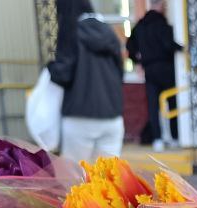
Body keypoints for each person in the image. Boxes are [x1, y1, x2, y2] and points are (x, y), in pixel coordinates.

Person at [49, 0, 126, 163]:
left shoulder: (70, 33)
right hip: (112, 117)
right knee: (107, 180)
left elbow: (63, 75)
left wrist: (50, 68)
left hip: (79, 117)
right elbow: (120, 73)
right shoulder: (110, 33)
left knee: (75, 179)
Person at [127, 0, 183, 149]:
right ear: (160, 6)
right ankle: (175, 137)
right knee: (172, 103)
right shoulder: (163, 25)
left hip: (150, 70)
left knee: (153, 106)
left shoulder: (140, 26)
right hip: (166, 69)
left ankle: (157, 139)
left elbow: (130, 46)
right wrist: (183, 48)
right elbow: (168, 44)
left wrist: (137, 62)